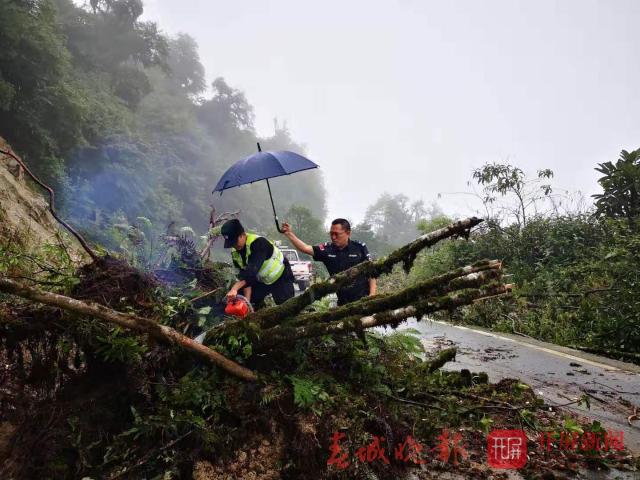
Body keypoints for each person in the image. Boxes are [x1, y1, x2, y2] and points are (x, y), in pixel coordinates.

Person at [281, 218, 376, 306]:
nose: (333, 237)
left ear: (348, 233)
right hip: (343, 303)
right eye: (331, 234)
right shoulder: (327, 249)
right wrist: (289, 233)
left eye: (336, 234)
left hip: (363, 300)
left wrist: (372, 295)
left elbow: (372, 272)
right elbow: (305, 248)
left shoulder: (359, 247)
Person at [221, 219, 295, 310]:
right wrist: (247, 303)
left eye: (235, 242)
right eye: (231, 244)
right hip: (263, 281)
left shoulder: (258, 243)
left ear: (242, 235)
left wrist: (234, 288)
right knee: (240, 297)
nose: (234, 246)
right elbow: (245, 279)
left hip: (281, 276)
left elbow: (251, 272)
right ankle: (255, 310)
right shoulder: (235, 253)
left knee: (286, 307)